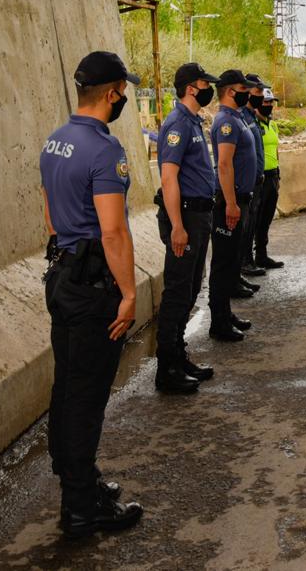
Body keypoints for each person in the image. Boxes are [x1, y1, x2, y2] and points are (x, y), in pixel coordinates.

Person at [40, 50, 143, 538]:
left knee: (67, 388)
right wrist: (127, 293)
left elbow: (50, 216)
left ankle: (80, 482)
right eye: (124, 91)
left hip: (62, 274)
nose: (124, 98)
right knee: (86, 396)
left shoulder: (54, 142)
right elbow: (114, 231)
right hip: (93, 283)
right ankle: (81, 508)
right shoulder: (104, 150)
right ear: (110, 94)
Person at [153, 62, 219, 394]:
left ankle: (179, 358)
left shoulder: (194, 122)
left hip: (199, 216)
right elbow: (168, 177)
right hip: (186, 218)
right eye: (205, 83)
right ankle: (167, 369)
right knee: (178, 293)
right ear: (191, 88)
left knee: (192, 288)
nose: (210, 88)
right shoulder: (177, 123)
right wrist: (177, 225)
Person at [208, 70, 260, 341]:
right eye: (243, 88)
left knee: (231, 262)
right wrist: (230, 203)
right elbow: (224, 164)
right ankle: (218, 321)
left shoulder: (237, 118)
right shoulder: (226, 122)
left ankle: (225, 313)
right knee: (223, 262)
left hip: (240, 198)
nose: (247, 92)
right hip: (230, 201)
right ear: (230, 91)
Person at [239, 75, 268, 278]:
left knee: (252, 225)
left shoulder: (252, 117)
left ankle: (247, 261)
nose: (261, 96)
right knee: (245, 227)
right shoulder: (241, 117)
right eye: (258, 93)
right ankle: (243, 263)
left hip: (257, 181)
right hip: (245, 184)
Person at [253, 87, 284, 269]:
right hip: (259, 178)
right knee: (255, 219)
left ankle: (262, 255)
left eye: (271, 102)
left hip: (273, 176)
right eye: (266, 102)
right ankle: (248, 258)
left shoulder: (273, 125)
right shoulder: (254, 125)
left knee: (266, 219)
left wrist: (278, 174)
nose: (269, 105)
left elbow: (276, 150)